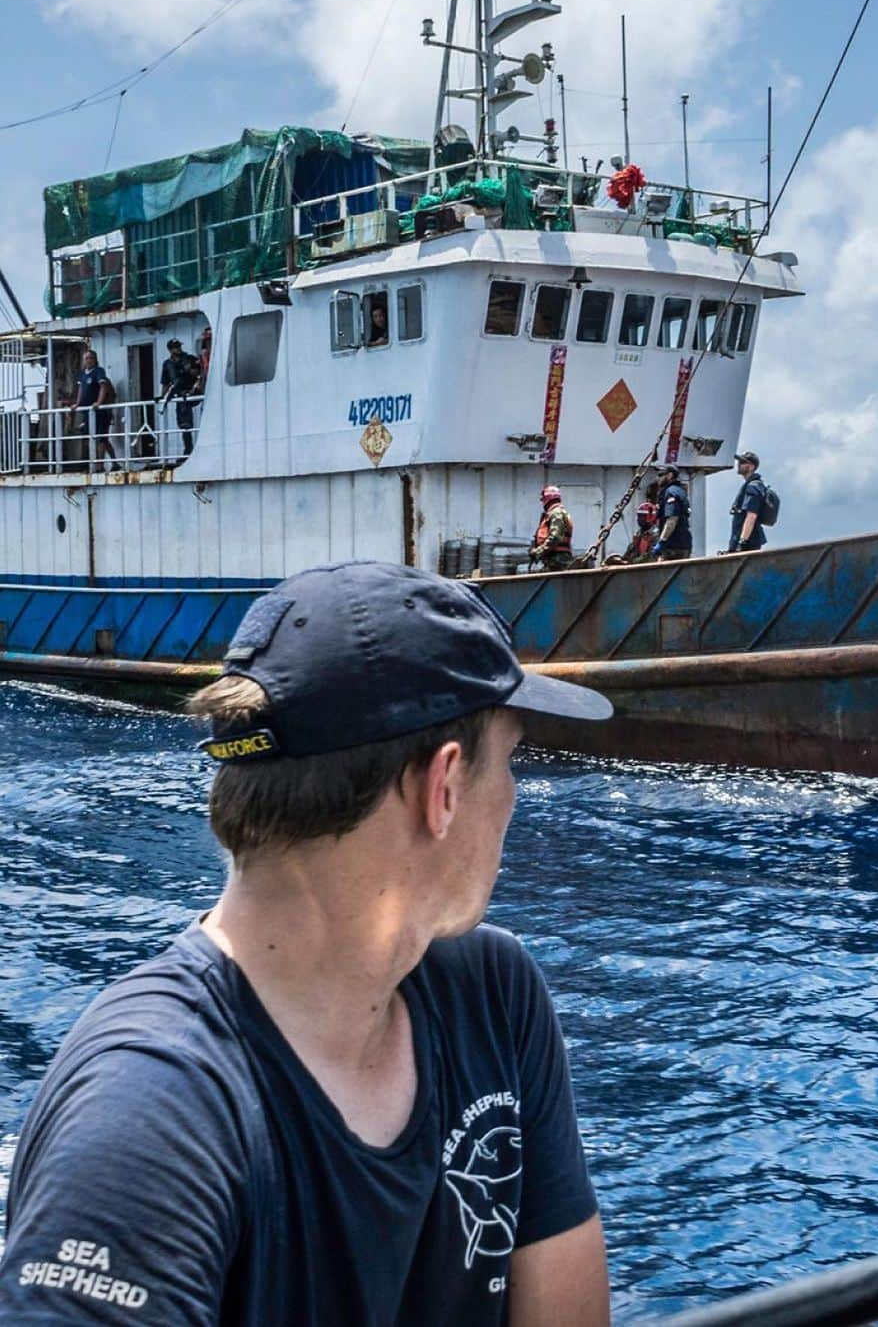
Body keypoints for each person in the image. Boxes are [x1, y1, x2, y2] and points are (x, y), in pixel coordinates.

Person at [0, 561, 613, 1327]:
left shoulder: (493, 996)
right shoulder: (148, 1117)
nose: (514, 799)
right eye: (511, 762)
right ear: (445, 788)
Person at [67, 349, 117, 470]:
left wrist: (99, 402)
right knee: (91, 438)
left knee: (101, 439)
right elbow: (81, 390)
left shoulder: (99, 371)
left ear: (95, 359)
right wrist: (77, 404)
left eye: (90, 358)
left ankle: (101, 465)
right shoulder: (83, 373)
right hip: (88, 411)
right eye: (86, 358)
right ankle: (110, 462)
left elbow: (103, 387)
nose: (88, 360)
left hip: (99, 411)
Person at [159, 337, 203, 457]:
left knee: (186, 418)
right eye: (176, 347)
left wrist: (189, 370)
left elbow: (200, 373)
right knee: (184, 424)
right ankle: (188, 450)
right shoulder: (167, 364)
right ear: (170, 350)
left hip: (194, 392)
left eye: (179, 346)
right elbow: (166, 383)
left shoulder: (189, 359)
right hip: (180, 394)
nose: (178, 349)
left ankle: (191, 449)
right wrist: (162, 397)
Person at [728, 450, 767, 553]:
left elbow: (751, 515)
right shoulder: (752, 485)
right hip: (745, 541)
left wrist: (743, 542)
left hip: (748, 543)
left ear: (751, 467)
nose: (738, 464)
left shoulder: (753, 487)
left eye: (742, 462)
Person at [531, 484, 574, 571]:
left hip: (558, 561)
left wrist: (538, 552)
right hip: (554, 559)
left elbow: (555, 537)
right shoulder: (555, 513)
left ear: (548, 499)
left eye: (543, 500)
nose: (542, 503)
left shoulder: (556, 513)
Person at [652, 465, 692, 561]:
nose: (658, 478)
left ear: (670, 475)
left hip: (673, 547)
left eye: (661, 475)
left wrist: (662, 542)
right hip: (683, 544)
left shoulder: (671, 492)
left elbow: (672, 520)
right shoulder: (680, 491)